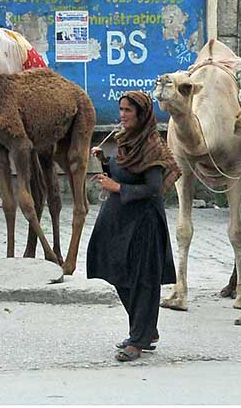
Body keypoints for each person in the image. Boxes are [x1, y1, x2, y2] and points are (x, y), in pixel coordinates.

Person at [86, 91, 180, 362]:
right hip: (120, 221)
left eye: (128, 110)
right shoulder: (127, 141)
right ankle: (146, 330)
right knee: (117, 272)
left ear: (142, 114)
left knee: (143, 281)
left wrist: (117, 187)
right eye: (121, 109)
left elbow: (152, 188)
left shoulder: (151, 146)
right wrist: (105, 161)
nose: (123, 115)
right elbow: (124, 170)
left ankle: (138, 340)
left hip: (143, 223)